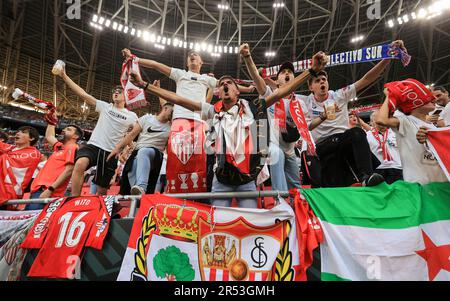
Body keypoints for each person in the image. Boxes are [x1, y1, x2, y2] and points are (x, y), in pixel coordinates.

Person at [129, 52, 326, 208]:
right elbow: (178, 99)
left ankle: (281, 202)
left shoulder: (251, 106)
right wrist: (145, 85)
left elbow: (282, 91)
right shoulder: (211, 111)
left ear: (237, 90)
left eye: (229, 83)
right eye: (221, 84)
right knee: (219, 225)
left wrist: (311, 71)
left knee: (249, 221)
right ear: (218, 92)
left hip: (246, 180)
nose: (224, 85)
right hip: (221, 180)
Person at [121, 49, 254, 194]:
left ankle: (199, 192)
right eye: (190, 55)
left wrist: (247, 89)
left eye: (196, 55)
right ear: (186, 62)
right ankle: (174, 191)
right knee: (177, 157)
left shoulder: (206, 79)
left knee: (198, 159)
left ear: (201, 62)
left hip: (199, 121)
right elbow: (156, 65)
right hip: (179, 120)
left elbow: (230, 85)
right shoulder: (180, 74)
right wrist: (135, 59)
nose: (192, 56)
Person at [299, 40, 408, 187]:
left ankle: (366, 177)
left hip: (343, 140)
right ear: (311, 87)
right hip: (323, 146)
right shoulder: (305, 101)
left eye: (324, 79)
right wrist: (323, 116)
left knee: (357, 132)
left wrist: (387, 58)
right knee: (334, 186)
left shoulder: (339, 95)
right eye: (317, 81)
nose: (322, 82)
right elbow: (306, 127)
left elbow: (367, 79)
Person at [239, 43, 328, 191]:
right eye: (283, 72)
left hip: (290, 149)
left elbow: (306, 126)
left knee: (296, 186)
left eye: (290, 72)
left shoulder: (300, 103)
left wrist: (323, 117)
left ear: (294, 77)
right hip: (269, 144)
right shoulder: (270, 95)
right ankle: (278, 198)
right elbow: (256, 78)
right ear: (277, 79)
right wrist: (248, 57)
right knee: (277, 154)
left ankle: (295, 207)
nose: (287, 73)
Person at [54, 63, 138, 196]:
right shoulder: (105, 106)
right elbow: (83, 94)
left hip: (110, 151)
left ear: (126, 97)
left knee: (101, 189)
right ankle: (74, 200)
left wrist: (129, 148)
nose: (116, 93)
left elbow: (133, 134)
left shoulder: (132, 116)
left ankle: (99, 211)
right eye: (114, 92)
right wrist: (64, 76)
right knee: (80, 164)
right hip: (94, 145)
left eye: (119, 91)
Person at [375, 79, 447, 184]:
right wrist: (390, 96)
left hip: (441, 183)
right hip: (420, 184)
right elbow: (381, 120)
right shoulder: (406, 122)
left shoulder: (433, 126)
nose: (433, 99)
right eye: (426, 99)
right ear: (413, 104)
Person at [108, 98, 173, 195]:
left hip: (155, 155)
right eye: (172, 112)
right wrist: (117, 149)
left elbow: (169, 147)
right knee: (130, 176)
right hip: (137, 153)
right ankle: (138, 196)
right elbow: (131, 135)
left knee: (144, 151)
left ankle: (142, 186)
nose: (173, 115)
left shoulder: (171, 126)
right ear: (165, 108)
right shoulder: (147, 118)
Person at [27, 111, 83, 209]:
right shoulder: (61, 147)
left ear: (75, 136)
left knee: (33, 220)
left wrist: (50, 189)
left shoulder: (72, 147)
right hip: (39, 189)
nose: (64, 130)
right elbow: (49, 136)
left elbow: (69, 170)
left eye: (68, 130)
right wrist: (52, 122)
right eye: (65, 128)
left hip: (47, 190)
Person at [0, 126, 42, 206]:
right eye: (18, 131)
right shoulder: (9, 148)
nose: (18, 133)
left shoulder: (34, 153)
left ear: (32, 138)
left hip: (9, 193)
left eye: (23, 132)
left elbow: (9, 160)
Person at [366, 110, 403, 184]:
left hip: (397, 167)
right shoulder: (366, 135)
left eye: (383, 119)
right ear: (372, 122)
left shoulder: (395, 133)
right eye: (378, 120)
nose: (382, 122)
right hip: (378, 169)